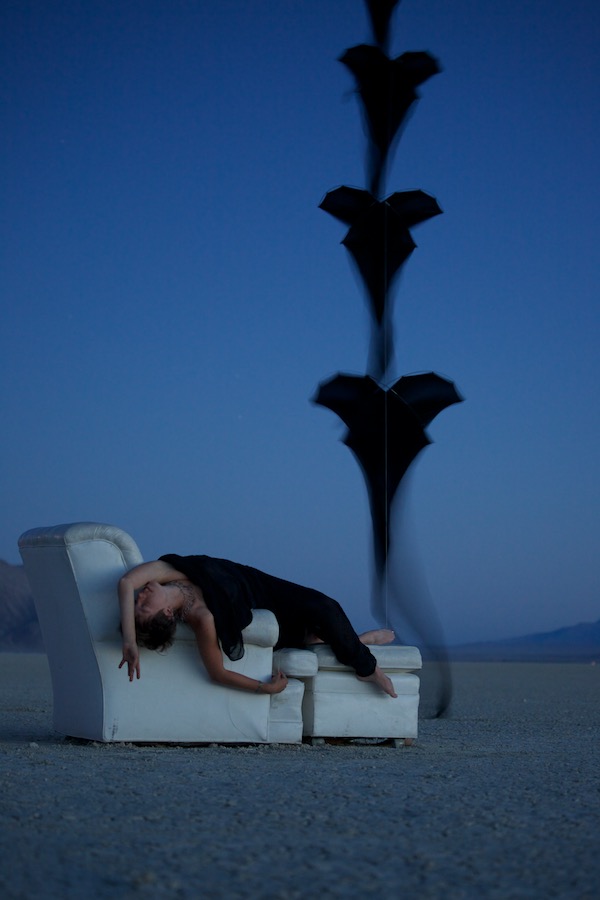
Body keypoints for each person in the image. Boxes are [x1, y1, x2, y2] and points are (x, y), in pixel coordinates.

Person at [118, 553, 397, 697]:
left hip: (257, 582)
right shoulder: (201, 617)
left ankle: (359, 648)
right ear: (167, 613)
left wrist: (129, 642)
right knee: (311, 630)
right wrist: (265, 689)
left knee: (325, 606)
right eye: (143, 606)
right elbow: (217, 673)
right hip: (255, 606)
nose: (140, 595)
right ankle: (367, 666)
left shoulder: (168, 571)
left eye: (137, 602)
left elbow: (126, 582)